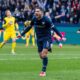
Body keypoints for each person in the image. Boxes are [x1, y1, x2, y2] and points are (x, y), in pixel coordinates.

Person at [17, 7, 65, 77]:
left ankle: (43, 71)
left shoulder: (47, 20)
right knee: (41, 56)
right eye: (35, 11)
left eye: (38, 11)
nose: (36, 12)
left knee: (44, 54)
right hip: (39, 39)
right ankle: (46, 54)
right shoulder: (34, 18)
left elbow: (54, 28)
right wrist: (21, 34)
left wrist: (61, 36)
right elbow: (29, 27)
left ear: (41, 12)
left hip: (46, 39)